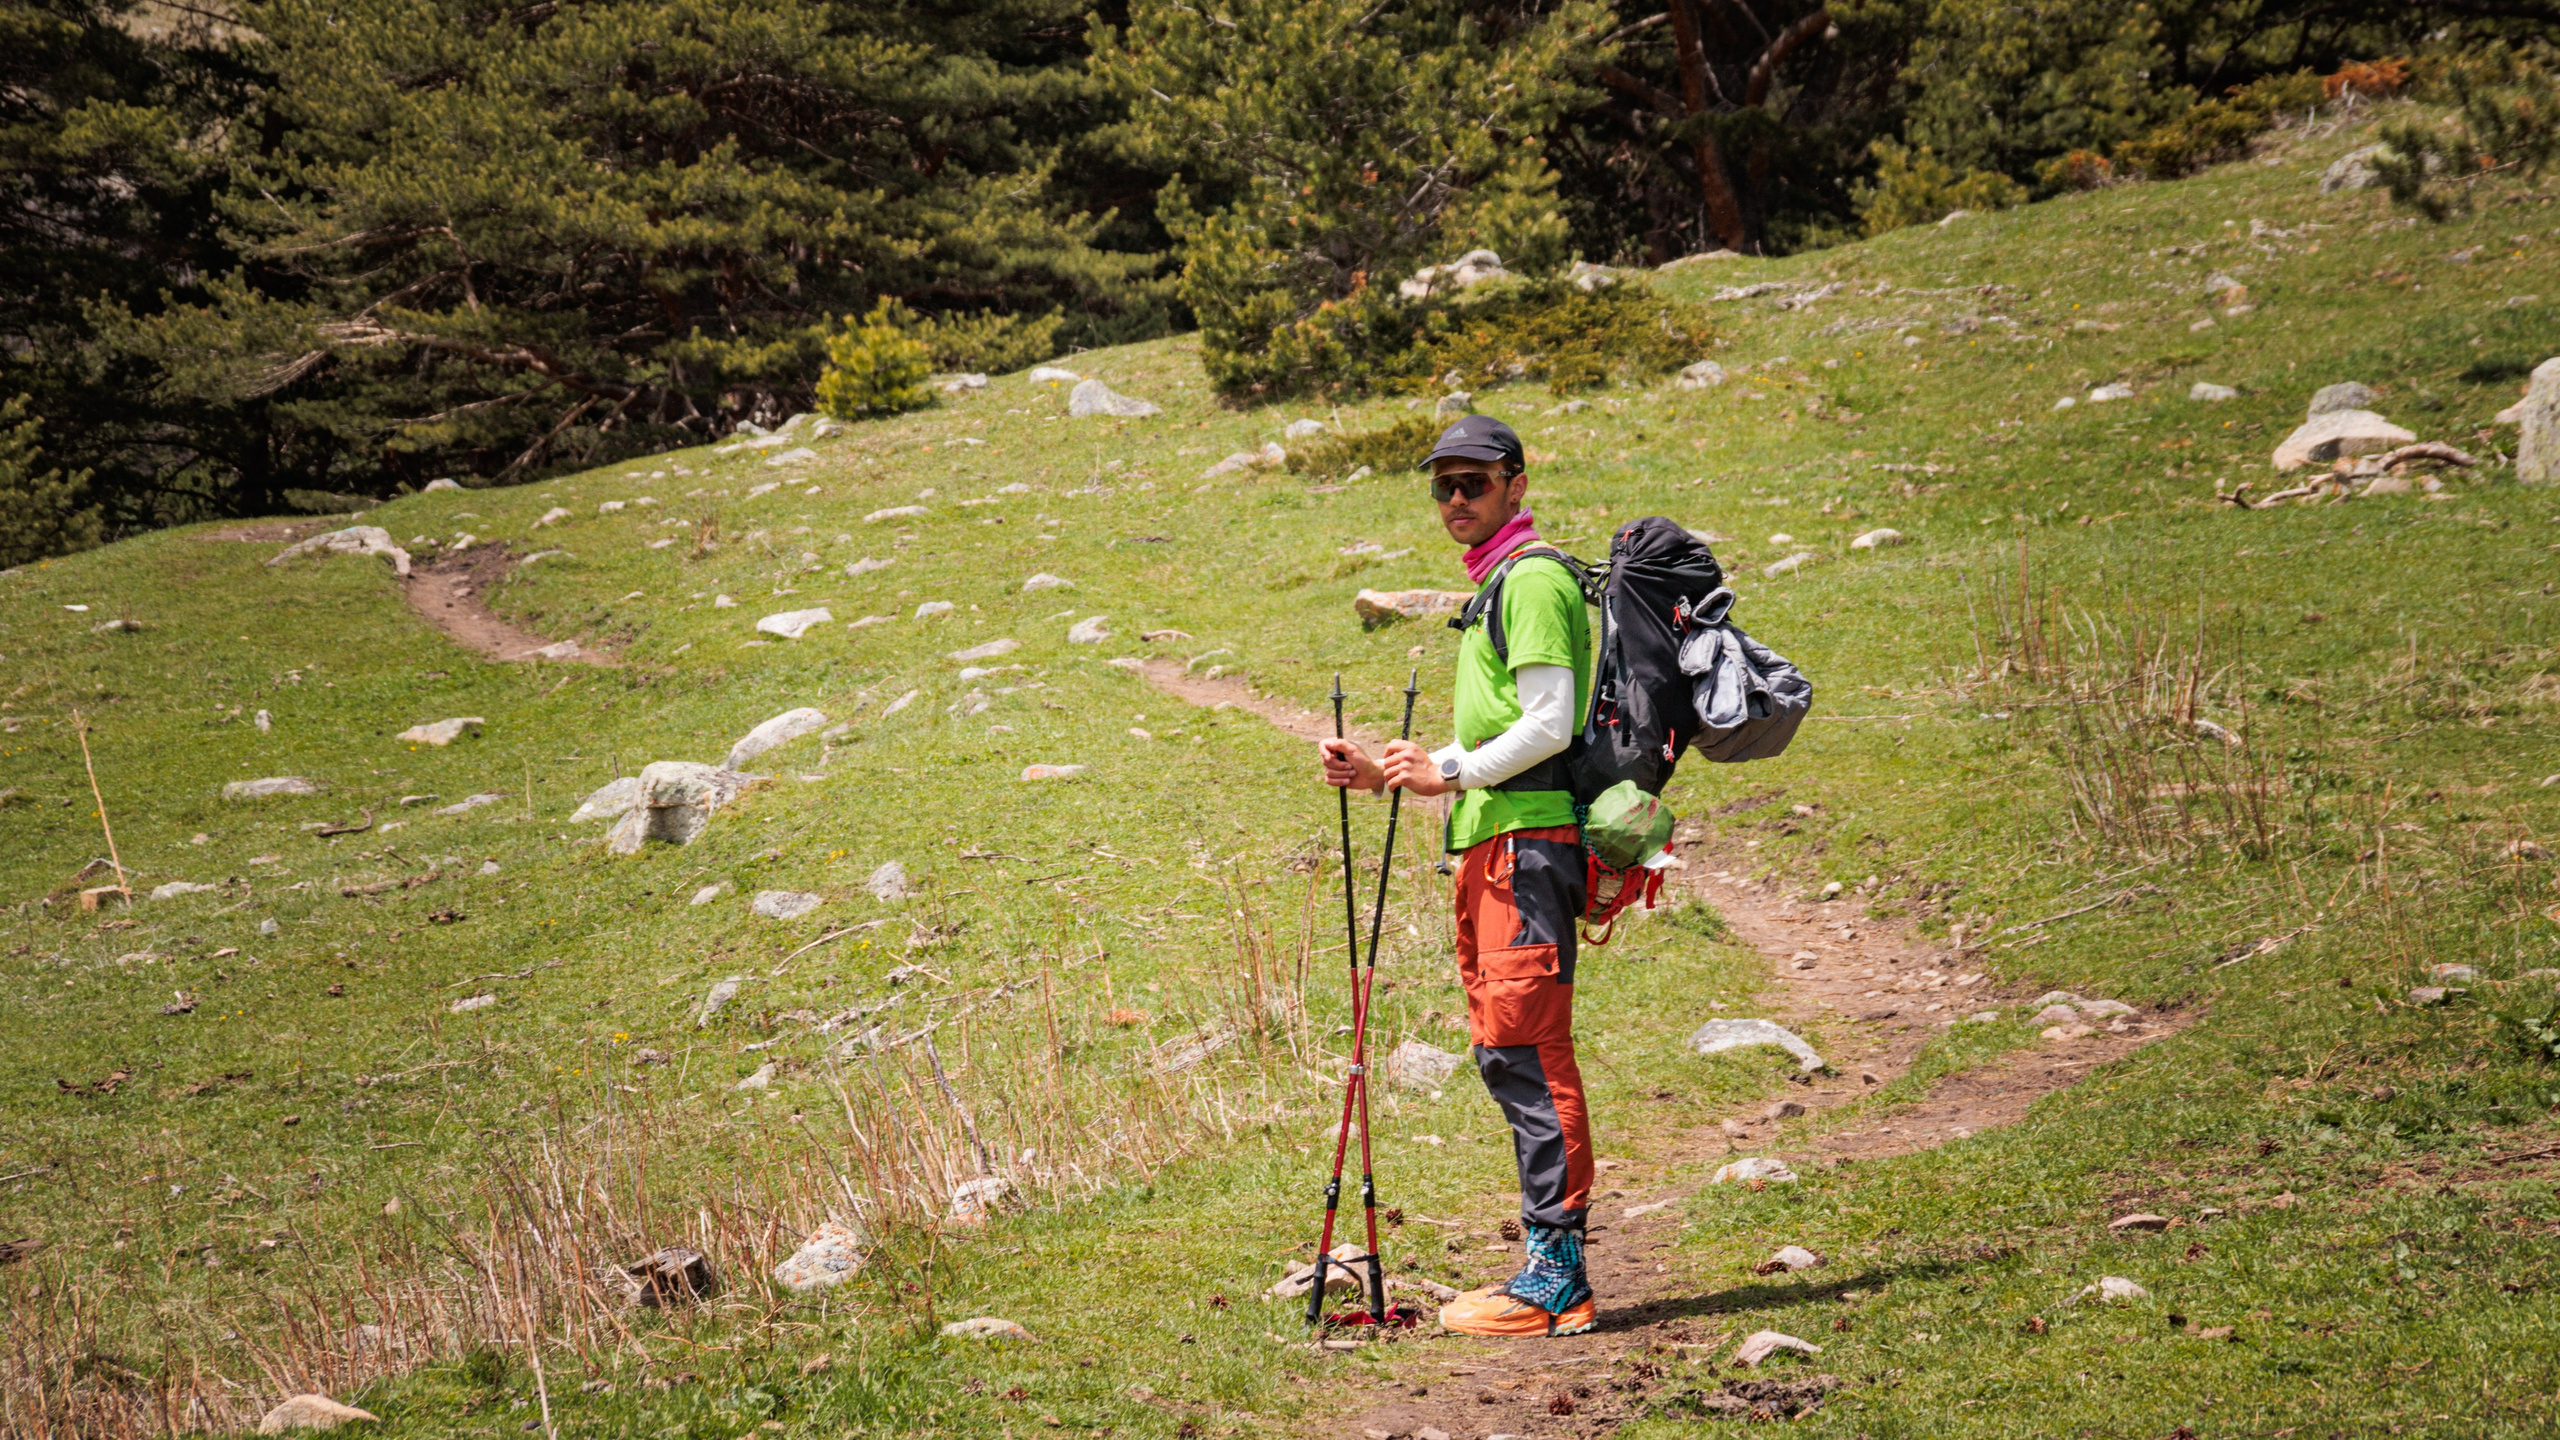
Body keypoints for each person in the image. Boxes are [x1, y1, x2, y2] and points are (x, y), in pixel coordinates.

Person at [1319, 414, 1598, 1339]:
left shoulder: (1536, 580)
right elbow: (1497, 737)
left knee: (1527, 1051)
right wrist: (1393, 770)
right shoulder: (1499, 586)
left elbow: (1551, 724)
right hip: (1495, 843)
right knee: (1502, 1048)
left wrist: (1453, 773)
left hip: (1526, 848)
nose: (1455, 500)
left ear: (1517, 484)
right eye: (1442, 485)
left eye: (1473, 483)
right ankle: (1544, 1266)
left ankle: (1557, 1281)